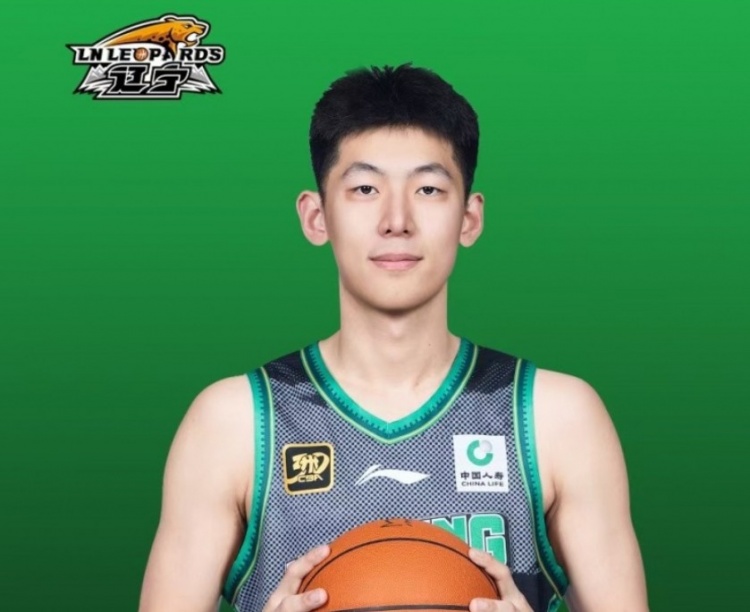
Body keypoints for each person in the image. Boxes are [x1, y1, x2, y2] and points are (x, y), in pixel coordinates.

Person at [138, 63, 649, 612]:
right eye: (364, 188)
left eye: (428, 188)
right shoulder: (235, 422)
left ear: (469, 217)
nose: (396, 220)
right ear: (316, 216)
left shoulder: (553, 417)